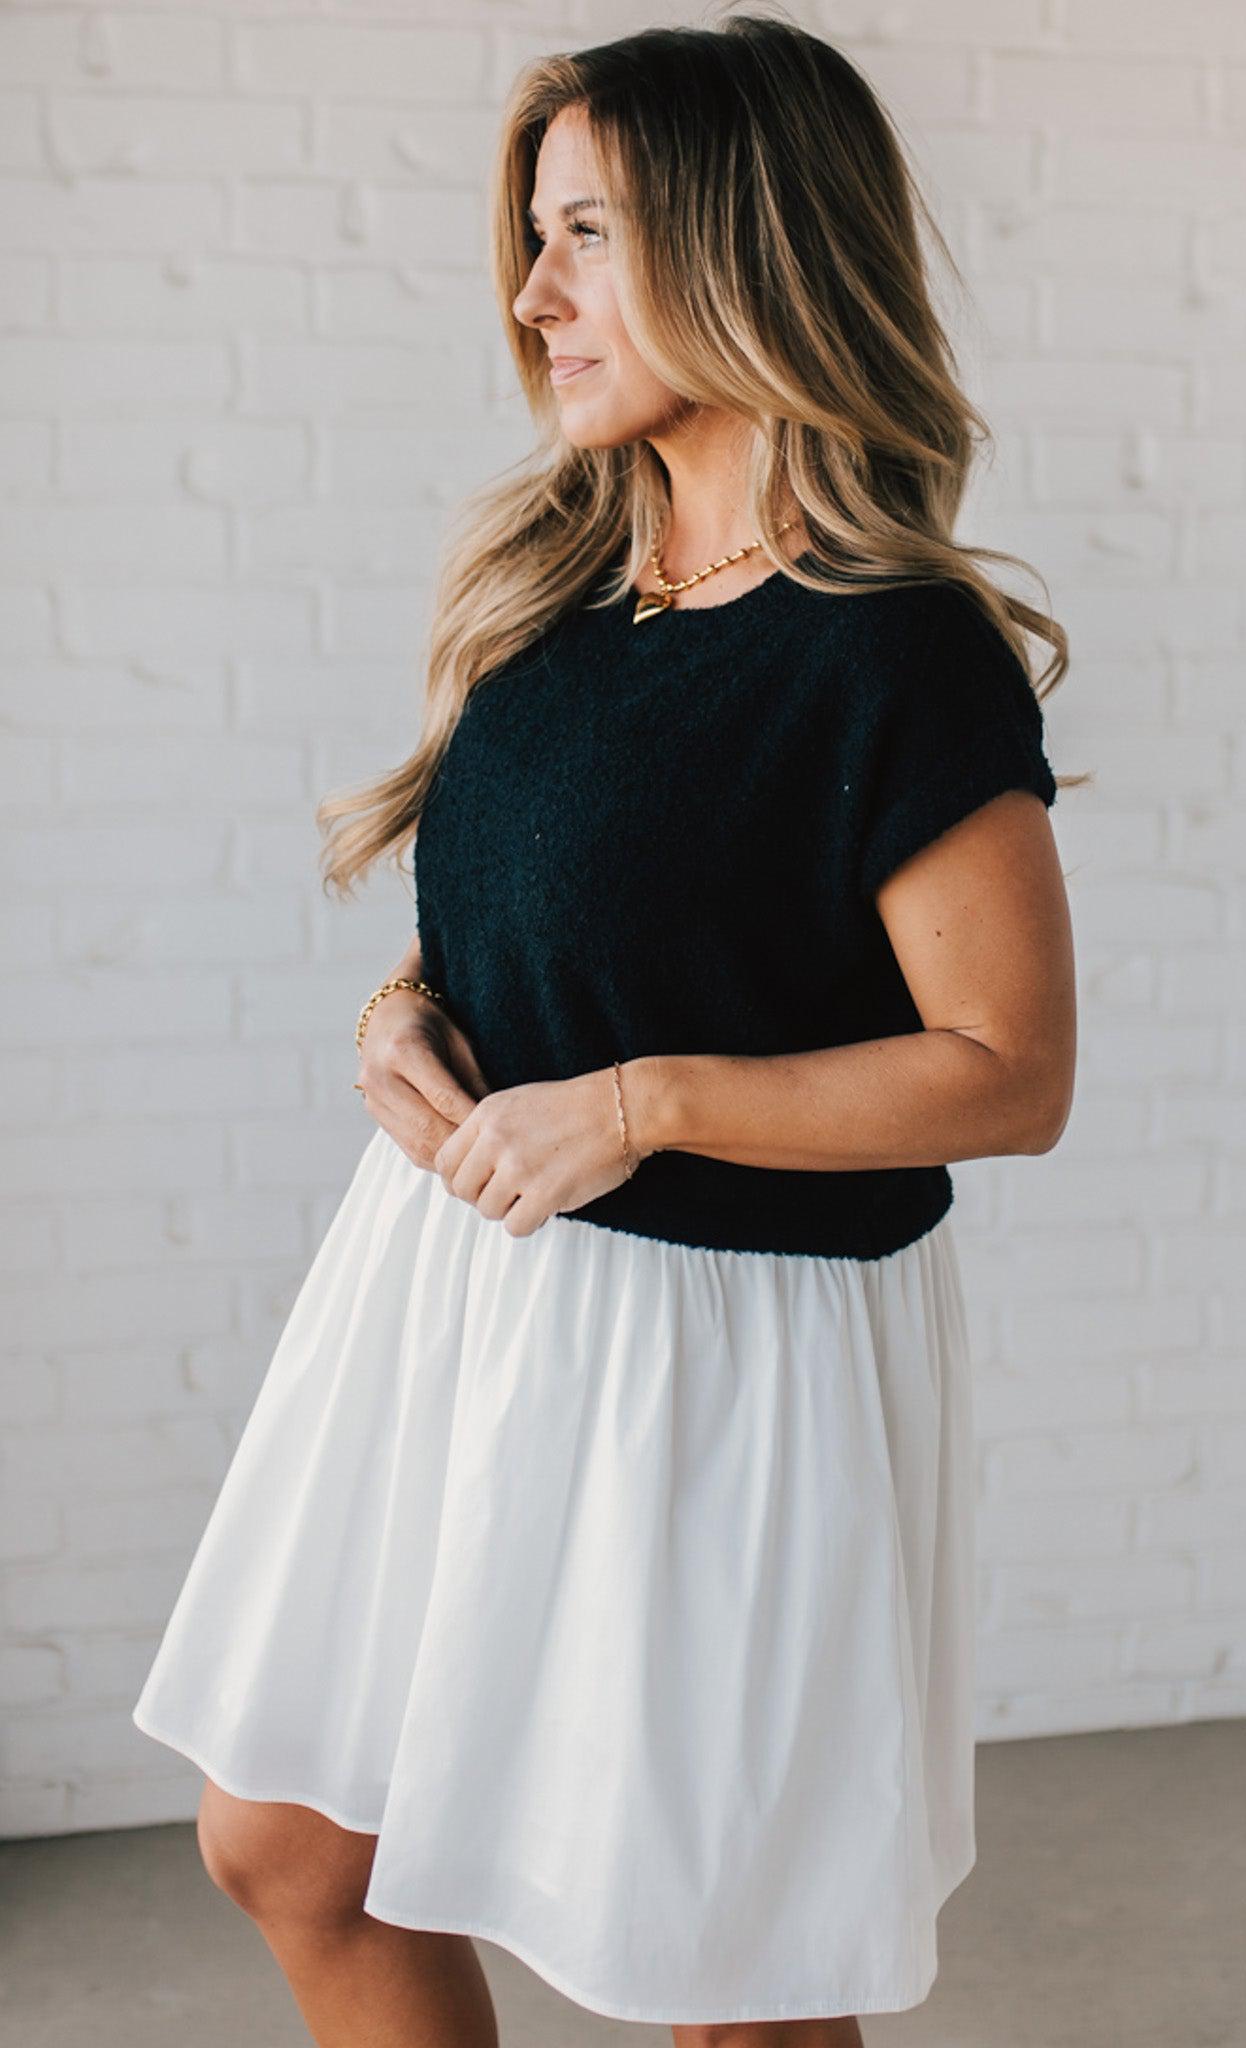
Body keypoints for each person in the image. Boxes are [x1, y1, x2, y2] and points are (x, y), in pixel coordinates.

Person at [131, 13, 1079, 2045]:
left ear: (750, 248)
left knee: (720, 1977)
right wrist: (406, 1018)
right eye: (532, 235)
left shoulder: (892, 652)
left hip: (718, 1363)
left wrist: (644, 1104)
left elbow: (1009, 1070)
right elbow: (559, 927)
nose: (529, 291)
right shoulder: (567, 598)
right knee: (290, 1839)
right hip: (458, 1303)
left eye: (588, 235)